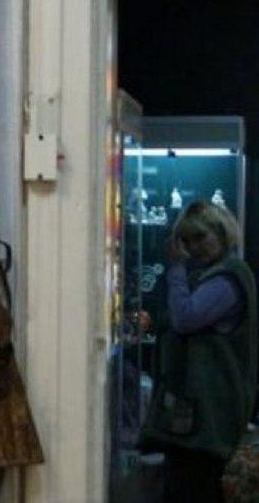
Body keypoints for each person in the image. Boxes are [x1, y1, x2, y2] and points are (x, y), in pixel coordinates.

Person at [140, 200, 258, 503]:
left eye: (201, 237)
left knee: (194, 488)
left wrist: (176, 269)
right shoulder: (215, 273)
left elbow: (185, 318)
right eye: (187, 240)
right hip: (203, 413)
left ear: (221, 232)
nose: (194, 247)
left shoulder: (226, 279)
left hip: (209, 416)